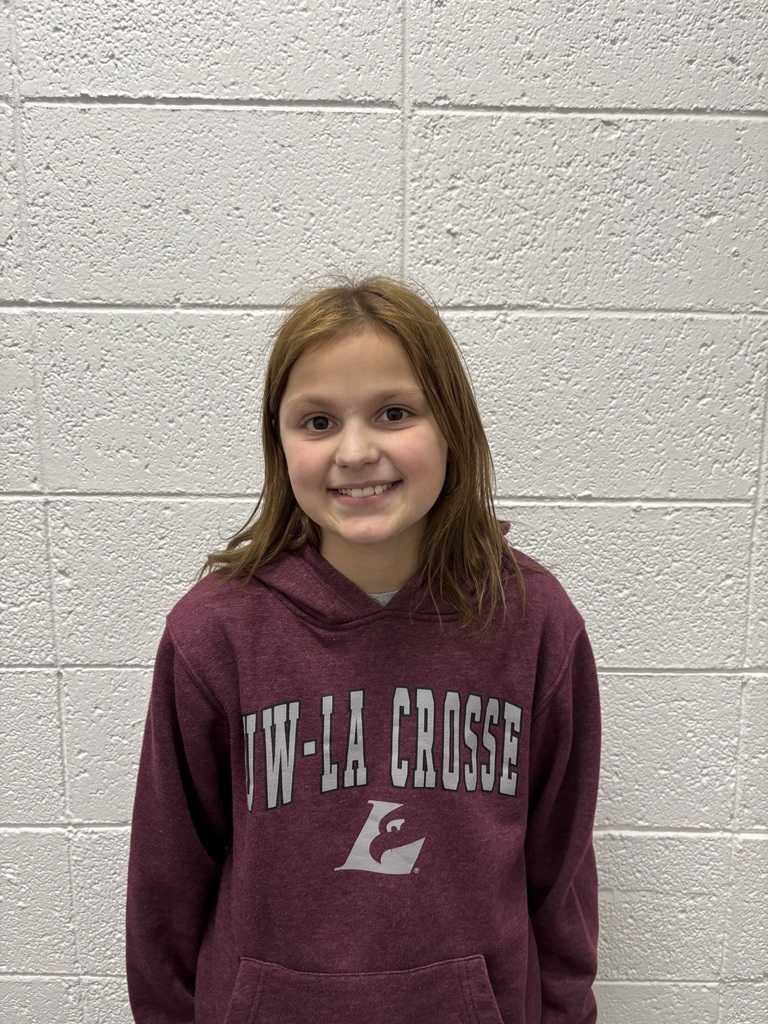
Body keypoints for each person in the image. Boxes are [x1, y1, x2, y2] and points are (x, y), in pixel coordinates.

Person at [126, 276, 601, 1024]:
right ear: (278, 442)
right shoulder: (213, 633)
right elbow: (167, 884)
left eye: (393, 412)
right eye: (316, 421)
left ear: (451, 425)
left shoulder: (534, 622)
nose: (355, 450)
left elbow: (562, 873)